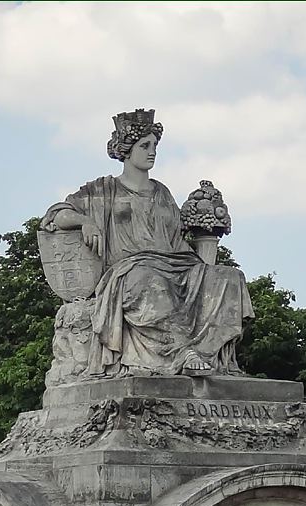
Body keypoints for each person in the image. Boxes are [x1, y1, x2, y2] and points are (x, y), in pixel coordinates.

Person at [40, 109, 253, 378]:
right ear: (126, 150)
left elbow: (178, 240)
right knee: (150, 280)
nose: (152, 151)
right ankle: (182, 352)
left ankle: (208, 354)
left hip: (177, 263)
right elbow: (56, 215)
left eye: (154, 146)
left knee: (229, 277)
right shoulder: (103, 189)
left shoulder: (162, 191)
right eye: (145, 145)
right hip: (130, 269)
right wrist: (85, 221)